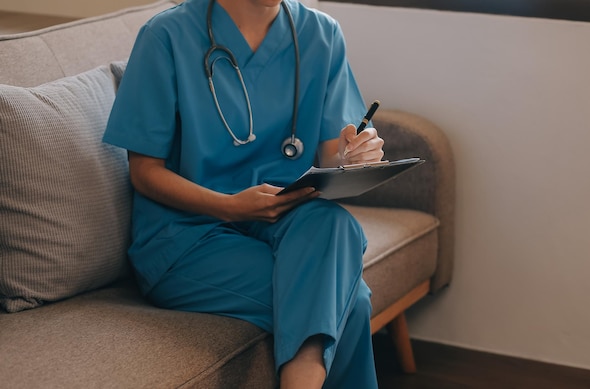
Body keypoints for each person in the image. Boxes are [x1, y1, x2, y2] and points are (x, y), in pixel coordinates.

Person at [103, 0, 384, 387]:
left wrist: (354, 156)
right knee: (351, 304)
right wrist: (231, 207)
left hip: (288, 218)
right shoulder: (166, 35)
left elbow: (330, 151)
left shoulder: (321, 34)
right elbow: (144, 172)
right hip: (187, 236)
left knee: (334, 222)